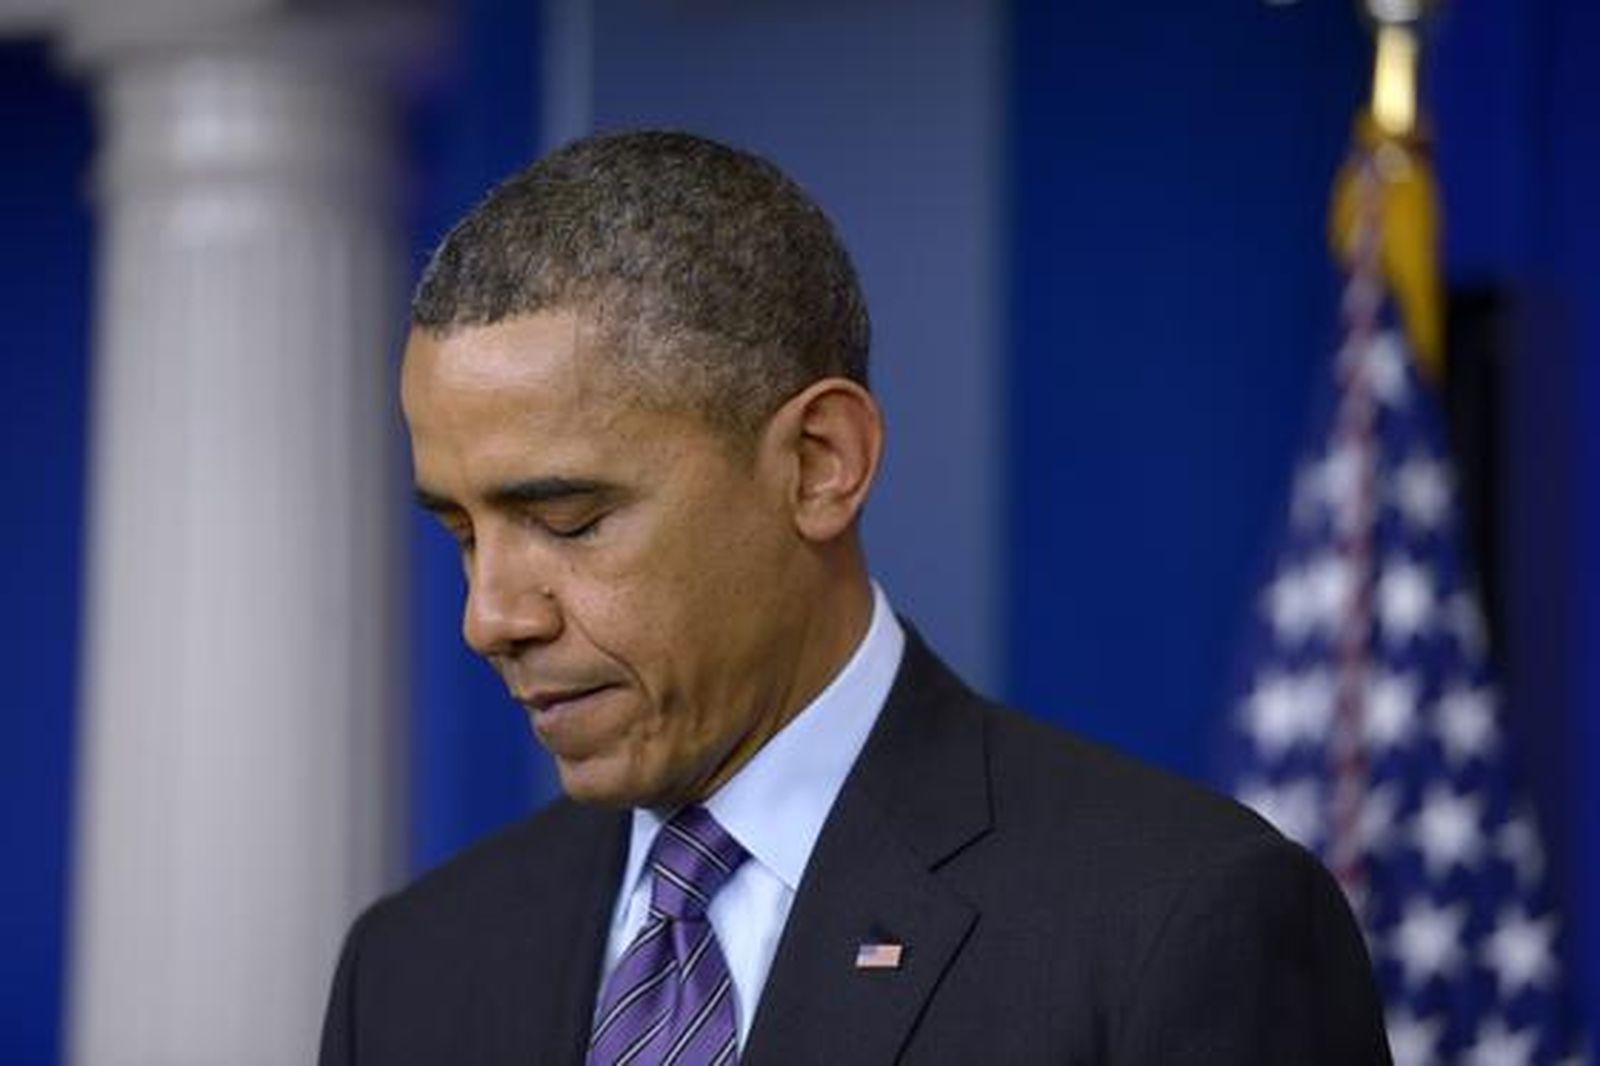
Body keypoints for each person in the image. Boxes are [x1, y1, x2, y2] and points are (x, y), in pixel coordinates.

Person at [318, 130, 1392, 1066]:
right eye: (460, 533)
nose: (491, 616)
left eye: (568, 520)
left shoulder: (1176, 924)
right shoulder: (411, 968)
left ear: (820, 464)